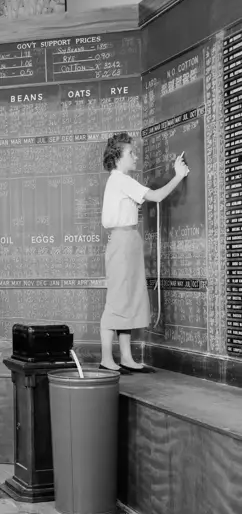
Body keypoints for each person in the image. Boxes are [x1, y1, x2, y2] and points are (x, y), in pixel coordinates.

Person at [99, 133, 189, 374]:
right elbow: (157, 196)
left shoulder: (119, 179)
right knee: (118, 301)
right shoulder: (121, 179)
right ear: (118, 157)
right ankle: (107, 359)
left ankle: (126, 357)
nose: (135, 156)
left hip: (127, 239)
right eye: (131, 153)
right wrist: (178, 176)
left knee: (127, 299)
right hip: (122, 241)